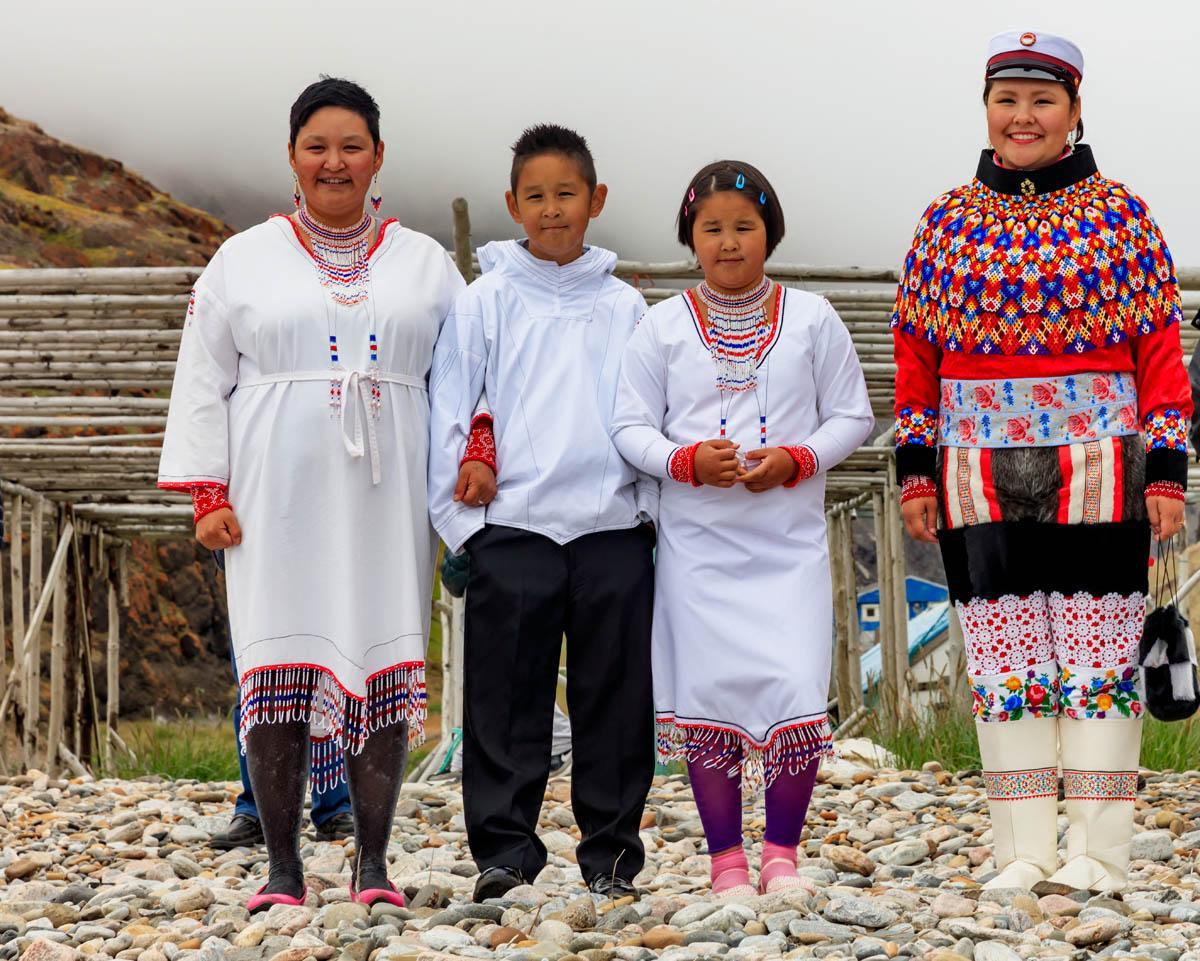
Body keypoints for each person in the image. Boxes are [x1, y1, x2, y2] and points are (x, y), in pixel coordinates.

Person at [158, 78, 471, 910]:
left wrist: (467, 476)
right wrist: (207, 493)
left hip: (388, 490)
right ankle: (283, 869)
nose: (335, 162)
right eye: (316, 146)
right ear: (292, 157)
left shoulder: (426, 263)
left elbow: (471, 376)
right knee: (276, 664)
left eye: (352, 146)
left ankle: (373, 863)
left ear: (378, 157)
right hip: (272, 497)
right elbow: (202, 378)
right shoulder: (243, 258)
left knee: (387, 658)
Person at [893, 32, 1191, 892]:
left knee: (1098, 667)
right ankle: (1023, 847)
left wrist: (1166, 471)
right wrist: (916, 471)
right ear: (986, 107)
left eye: (1042, 100)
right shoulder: (945, 223)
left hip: (1100, 471)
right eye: (1007, 99)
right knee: (1004, 663)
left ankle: (1099, 853)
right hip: (975, 474)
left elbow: (1159, 356)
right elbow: (918, 356)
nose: (1023, 117)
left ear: (1075, 108)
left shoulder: (1122, 217)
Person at [611, 161, 873, 898]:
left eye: (744, 228)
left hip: (785, 545)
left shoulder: (814, 318)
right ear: (691, 238)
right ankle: (726, 858)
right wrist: (685, 460)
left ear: (771, 234)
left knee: (794, 684)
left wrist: (798, 457)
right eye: (712, 229)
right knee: (709, 693)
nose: (729, 243)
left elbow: (853, 415)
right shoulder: (659, 326)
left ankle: (782, 852)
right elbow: (629, 427)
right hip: (698, 550)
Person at [428, 124, 656, 903]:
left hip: (611, 528)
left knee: (615, 698)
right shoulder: (485, 299)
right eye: (536, 196)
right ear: (512, 204)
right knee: (505, 696)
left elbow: (649, 416)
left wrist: (649, 522)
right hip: (514, 527)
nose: (552, 210)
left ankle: (613, 855)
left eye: (566, 195)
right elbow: (449, 414)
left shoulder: (627, 307)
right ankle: (504, 849)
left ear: (595, 200)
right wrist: (465, 532)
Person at [209, 549, 353, 850]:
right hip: (254, 539)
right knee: (256, 680)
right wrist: (208, 504)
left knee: (331, 672)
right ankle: (257, 810)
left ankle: (336, 806)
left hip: (323, 543)